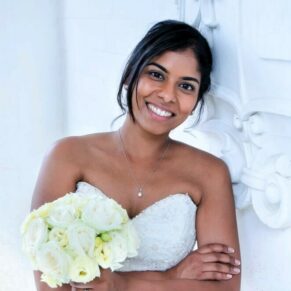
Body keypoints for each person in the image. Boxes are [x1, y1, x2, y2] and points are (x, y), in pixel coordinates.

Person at [31, 20, 241, 291]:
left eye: (186, 86)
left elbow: (225, 289)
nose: (167, 95)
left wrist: (121, 284)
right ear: (132, 73)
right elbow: (49, 281)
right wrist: (170, 278)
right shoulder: (67, 157)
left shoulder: (210, 174)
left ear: (197, 100)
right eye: (156, 75)